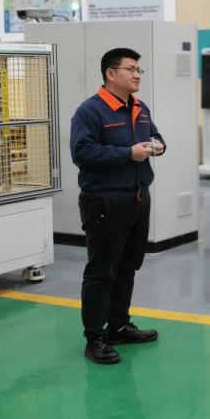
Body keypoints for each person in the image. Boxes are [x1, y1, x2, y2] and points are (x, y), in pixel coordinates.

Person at [71, 48, 166, 365]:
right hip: (105, 201)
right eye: (131, 69)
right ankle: (95, 339)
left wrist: (158, 145)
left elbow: (153, 135)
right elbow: (82, 152)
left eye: (139, 70)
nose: (137, 75)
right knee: (101, 271)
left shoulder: (139, 107)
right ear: (111, 73)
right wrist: (128, 153)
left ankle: (119, 326)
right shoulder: (91, 111)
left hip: (137, 198)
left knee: (127, 266)